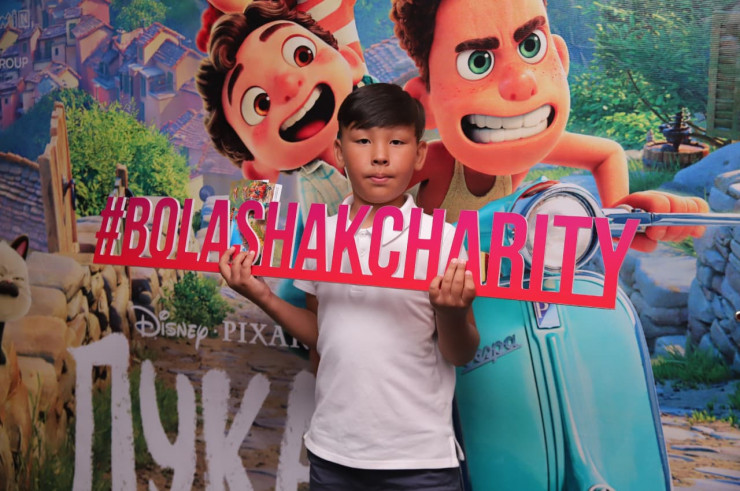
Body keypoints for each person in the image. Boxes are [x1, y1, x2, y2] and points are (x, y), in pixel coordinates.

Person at [219, 83, 480, 490]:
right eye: (363, 141)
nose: (380, 156)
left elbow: (460, 352)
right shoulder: (321, 235)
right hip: (333, 455)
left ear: (419, 154)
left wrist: (452, 313)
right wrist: (261, 294)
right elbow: (321, 335)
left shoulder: (443, 240)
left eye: (396, 142)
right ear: (340, 153)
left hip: (420, 460)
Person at [391, 0, 708, 250]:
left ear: (559, 56)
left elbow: (607, 154)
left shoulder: (520, 148)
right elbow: (369, 192)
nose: (521, 83)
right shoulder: (433, 161)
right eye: (478, 62)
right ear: (424, 103)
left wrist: (620, 217)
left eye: (531, 45)